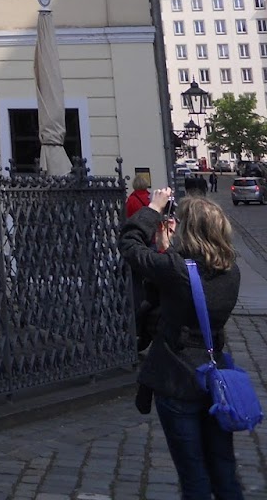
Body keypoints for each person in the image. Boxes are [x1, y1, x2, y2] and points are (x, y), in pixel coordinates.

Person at [120, 187, 245, 500]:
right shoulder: (231, 271)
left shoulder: (177, 271)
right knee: (223, 470)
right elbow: (185, 286)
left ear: (189, 230)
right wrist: (168, 251)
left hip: (178, 377)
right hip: (214, 378)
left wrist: (153, 208)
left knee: (193, 475)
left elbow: (130, 245)